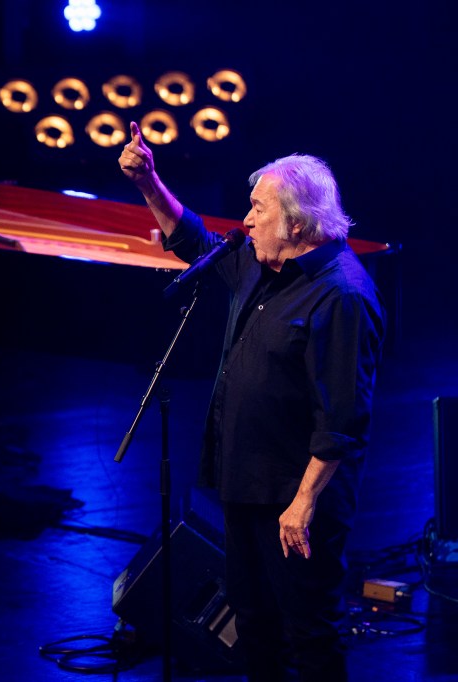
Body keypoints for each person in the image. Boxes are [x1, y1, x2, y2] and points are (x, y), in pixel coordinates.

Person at [119, 122, 385, 681]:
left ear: (296, 222)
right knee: (254, 624)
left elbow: (342, 420)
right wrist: (148, 182)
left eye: (258, 209)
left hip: (295, 502)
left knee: (309, 632)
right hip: (245, 485)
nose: (246, 219)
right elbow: (194, 240)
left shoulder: (342, 295)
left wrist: (303, 503)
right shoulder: (263, 263)